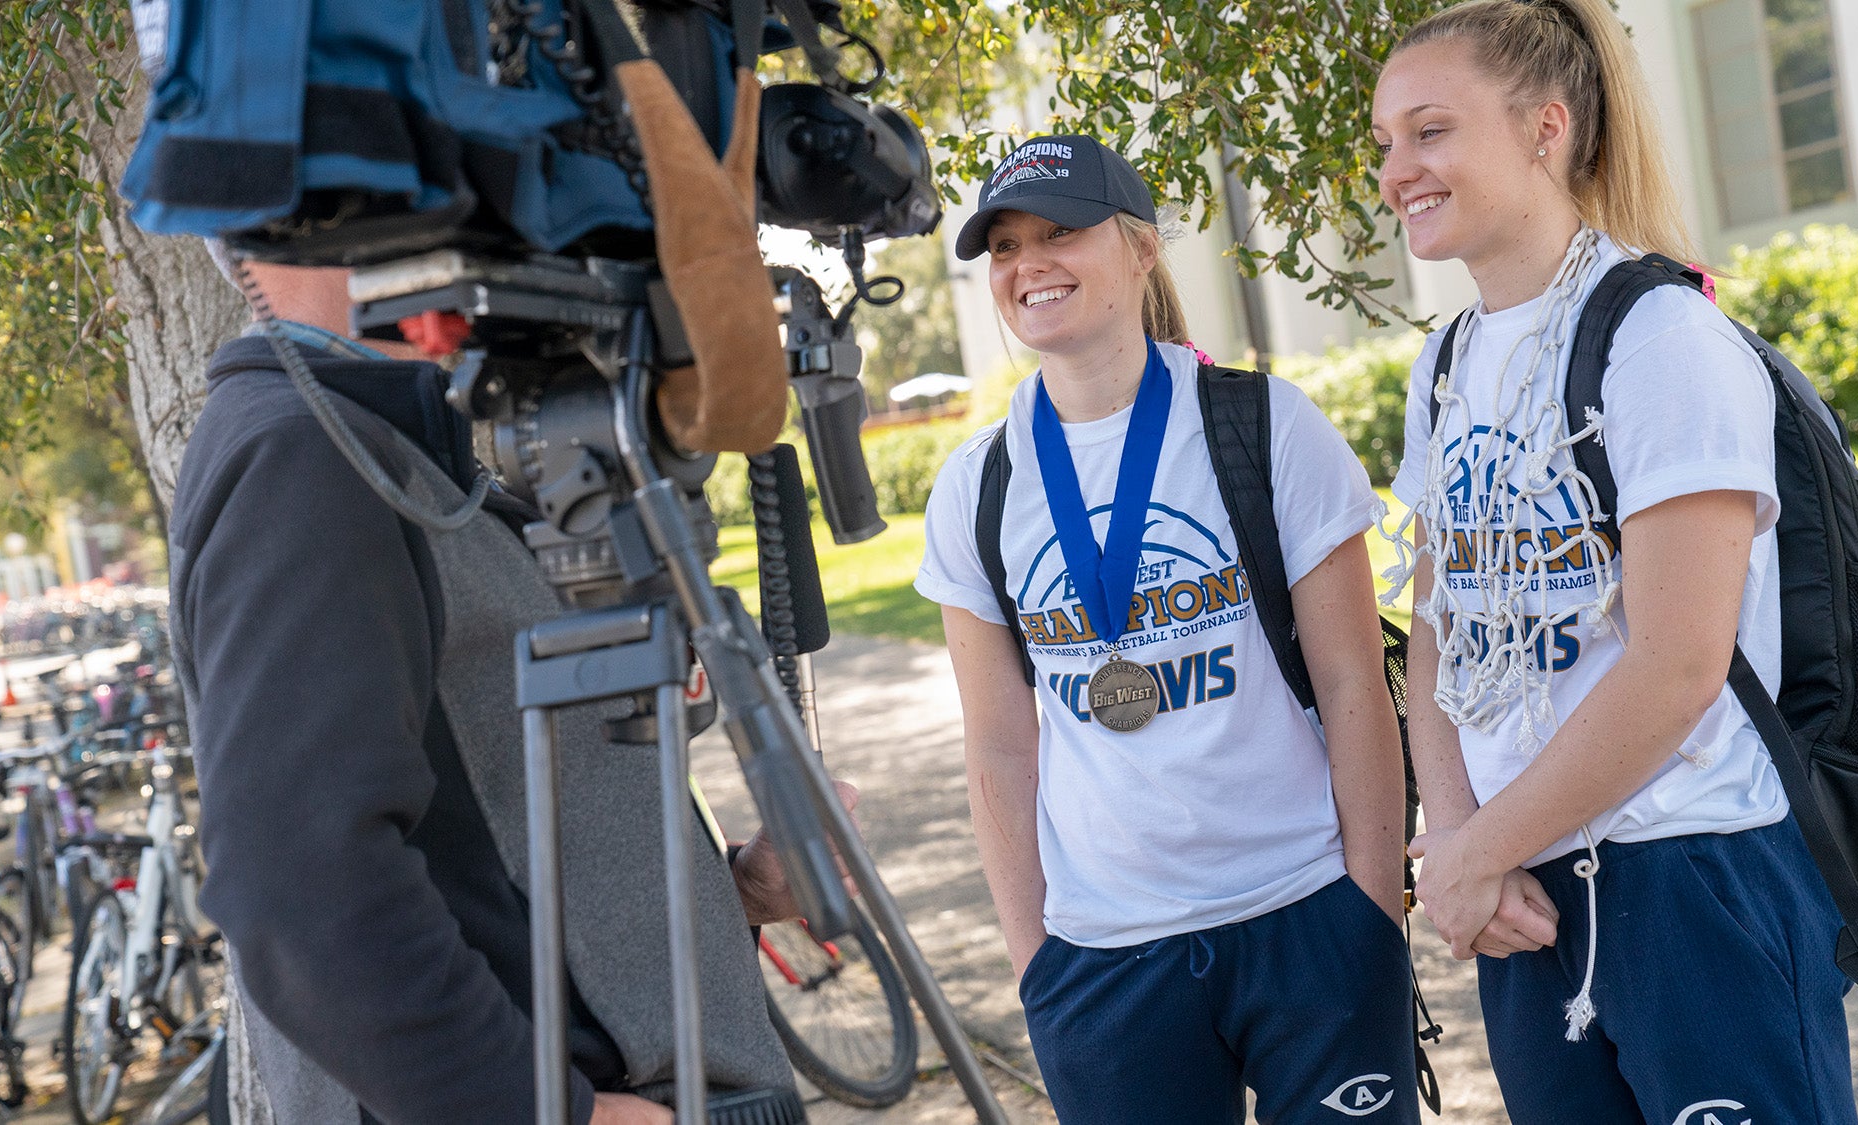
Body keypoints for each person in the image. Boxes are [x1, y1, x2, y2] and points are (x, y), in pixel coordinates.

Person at [170, 252, 839, 1124]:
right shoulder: (304, 454)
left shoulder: (398, 451)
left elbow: (492, 844)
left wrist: (737, 890)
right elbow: (300, 890)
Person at [1370, 1, 1858, 1121]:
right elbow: (1441, 629)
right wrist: (1456, 844)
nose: (1397, 169)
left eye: (1430, 131)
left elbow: (1676, 667)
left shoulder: (1660, 339)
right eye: (1384, 142)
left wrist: (1473, 850)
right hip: (1520, 887)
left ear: (1545, 128)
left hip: (1689, 877)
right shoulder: (1441, 364)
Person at [914, 135, 1417, 1123]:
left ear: (1140, 249)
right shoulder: (976, 486)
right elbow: (999, 746)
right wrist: (1037, 962)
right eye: (1003, 248)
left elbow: (1356, 684)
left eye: (1059, 233)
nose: (1028, 266)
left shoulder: (1265, 424)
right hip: (1103, 960)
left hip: (1305, 917)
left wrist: (1370, 911)